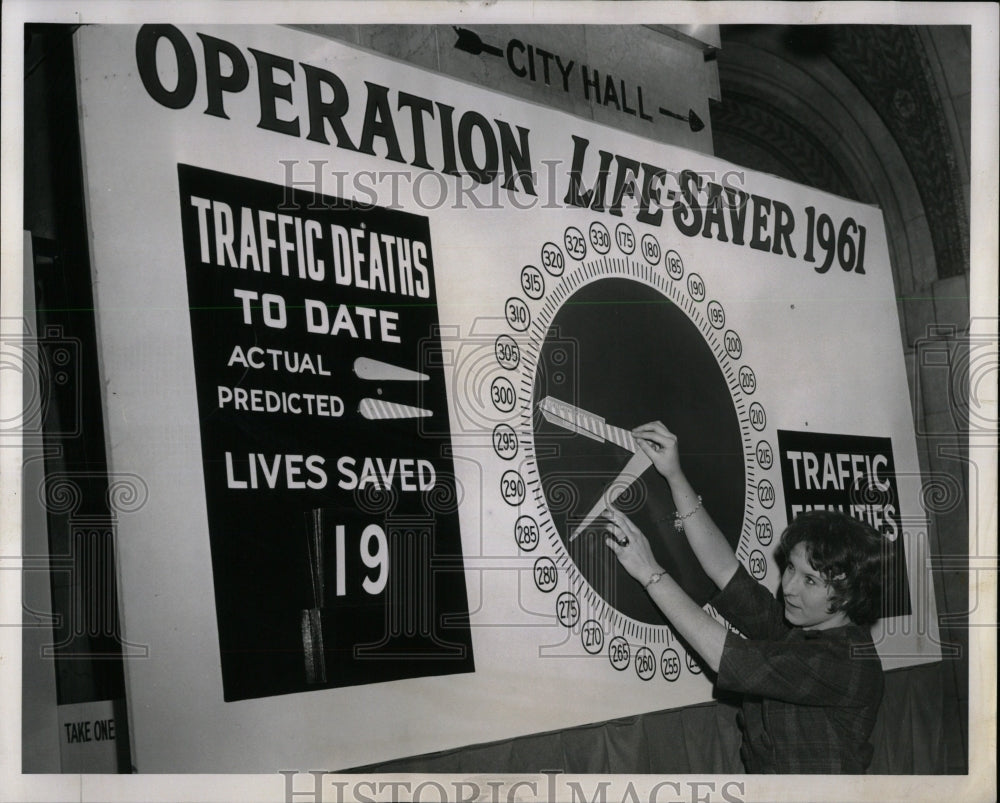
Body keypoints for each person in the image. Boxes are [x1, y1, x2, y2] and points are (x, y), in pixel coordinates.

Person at [603, 421, 885, 774]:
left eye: (810, 581)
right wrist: (675, 476)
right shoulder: (799, 630)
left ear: (848, 596)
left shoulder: (845, 661)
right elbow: (726, 572)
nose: (789, 587)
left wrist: (650, 573)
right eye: (791, 568)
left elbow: (728, 657)